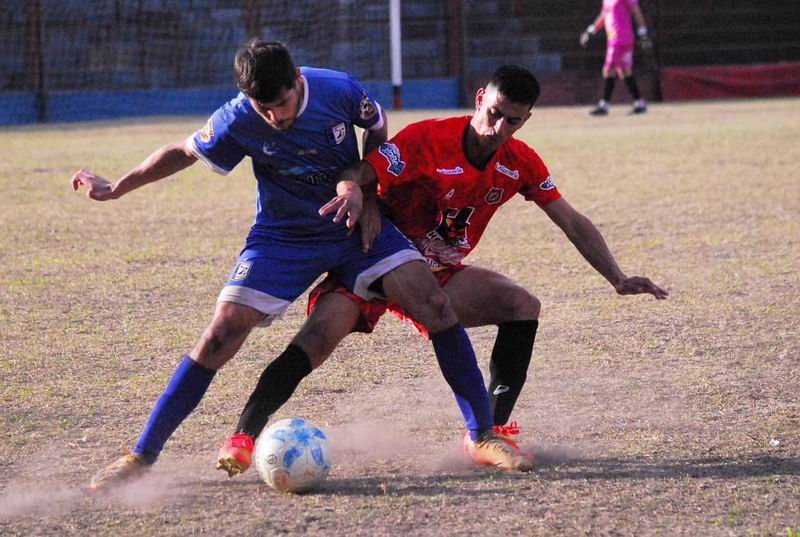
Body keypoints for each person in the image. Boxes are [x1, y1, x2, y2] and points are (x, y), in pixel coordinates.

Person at [72, 40, 525, 493]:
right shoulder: (237, 117)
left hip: (352, 226)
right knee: (220, 334)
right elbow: (184, 151)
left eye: (282, 104)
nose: (275, 117)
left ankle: (482, 434)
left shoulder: (338, 90)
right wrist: (117, 188)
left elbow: (376, 125)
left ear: (297, 80)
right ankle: (142, 455)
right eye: (263, 108)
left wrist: (368, 196)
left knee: (433, 302)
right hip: (282, 237)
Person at [215, 64, 668, 477]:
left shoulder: (520, 162)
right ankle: (244, 435)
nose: (498, 128)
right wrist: (362, 198)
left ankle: (490, 433)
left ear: (526, 120)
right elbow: (360, 170)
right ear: (479, 99)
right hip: (377, 263)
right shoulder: (427, 139)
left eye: (512, 121)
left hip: (436, 274)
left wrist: (616, 277)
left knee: (521, 305)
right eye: (494, 113)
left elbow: (570, 219)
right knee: (316, 340)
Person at [580, 0, 652, 116]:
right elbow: (604, 15)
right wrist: (591, 30)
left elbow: (636, 11)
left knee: (609, 70)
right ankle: (640, 103)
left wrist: (643, 33)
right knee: (624, 71)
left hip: (620, 39)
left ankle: (604, 105)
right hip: (613, 38)